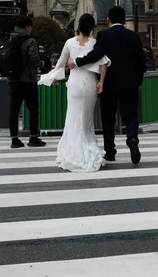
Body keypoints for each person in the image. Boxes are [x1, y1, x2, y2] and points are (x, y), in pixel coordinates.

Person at [68, 6, 146, 165]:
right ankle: (132, 138)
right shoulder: (134, 37)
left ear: (108, 20)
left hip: (109, 83)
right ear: (125, 20)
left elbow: (97, 55)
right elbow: (142, 63)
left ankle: (110, 151)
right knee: (130, 115)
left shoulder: (103, 35)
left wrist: (77, 62)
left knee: (108, 118)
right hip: (130, 83)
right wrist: (138, 81)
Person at [39, 14, 110, 172]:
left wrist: (54, 78)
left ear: (78, 25)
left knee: (73, 117)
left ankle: (72, 150)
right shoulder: (94, 44)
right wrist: (101, 82)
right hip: (90, 84)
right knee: (86, 119)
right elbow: (104, 63)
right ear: (92, 28)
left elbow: (60, 64)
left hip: (75, 84)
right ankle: (88, 145)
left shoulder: (69, 43)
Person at [8, 17, 47, 149]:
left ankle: (14, 140)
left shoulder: (9, 39)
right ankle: (33, 137)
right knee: (33, 109)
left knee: (14, 109)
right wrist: (41, 63)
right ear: (27, 27)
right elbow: (34, 59)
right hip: (28, 80)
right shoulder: (30, 40)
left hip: (13, 80)